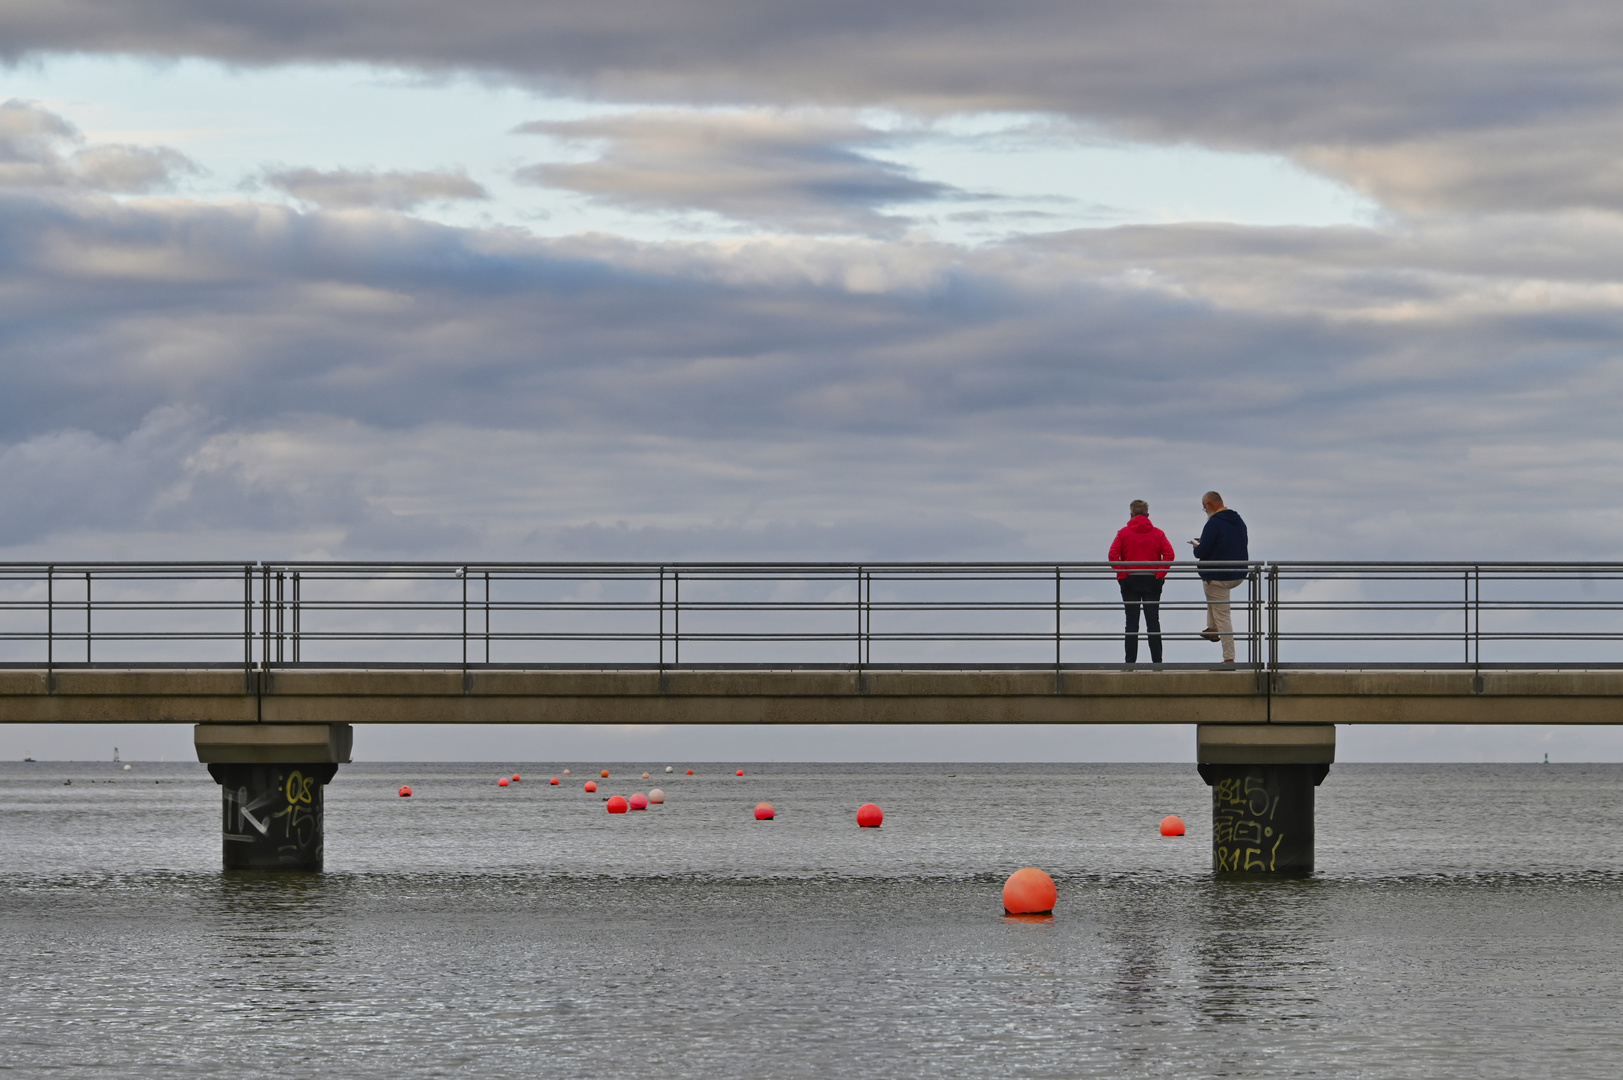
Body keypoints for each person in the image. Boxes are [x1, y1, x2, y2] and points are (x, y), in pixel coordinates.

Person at [1108, 499, 1175, 664]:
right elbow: (1169, 555)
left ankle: (1130, 663)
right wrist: (1160, 575)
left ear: (1131, 515)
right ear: (1148, 515)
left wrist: (1122, 574)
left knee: (1131, 623)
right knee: (1153, 622)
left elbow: (1113, 556)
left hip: (1130, 580)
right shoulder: (1158, 533)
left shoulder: (1123, 533)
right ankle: (1157, 663)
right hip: (1152, 580)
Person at [1188, 491, 1248, 663]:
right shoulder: (1238, 520)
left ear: (1209, 505)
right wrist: (1207, 540)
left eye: (1204, 508)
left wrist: (1196, 546)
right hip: (1238, 573)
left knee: (1223, 615)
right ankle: (1213, 628)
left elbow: (1202, 552)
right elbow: (1231, 542)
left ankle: (1229, 659)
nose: (1205, 511)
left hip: (1219, 575)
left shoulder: (1213, 523)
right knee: (1211, 591)